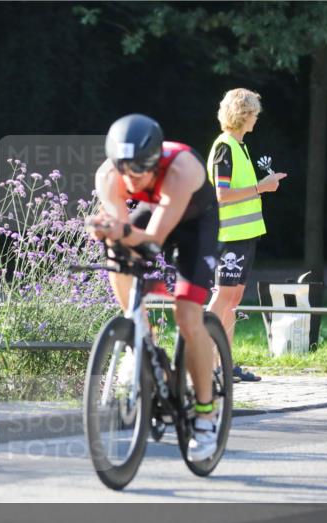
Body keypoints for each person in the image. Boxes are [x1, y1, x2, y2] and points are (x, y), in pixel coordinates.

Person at [86, 113, 221, 461]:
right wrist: (106, 230)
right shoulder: (108, 174)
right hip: (154, 210)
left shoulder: (181, 170)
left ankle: (206, 415)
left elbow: (154, 241)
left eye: (139, 172)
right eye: (124, 171)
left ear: (155, 163)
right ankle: (137, 338)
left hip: (194, 223)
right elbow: (121, 229)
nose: (130, 179)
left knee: (188, 317)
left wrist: (118, 230)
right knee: (117, 253)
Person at [206, 88, 287, 382]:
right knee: (223, 296)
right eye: (253, 114)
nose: (256, 119)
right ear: (242, 115)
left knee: (234, 298)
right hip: (229, 236)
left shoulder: (240, 146)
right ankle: (207, 362)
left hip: (245, 235)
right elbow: (222, 195)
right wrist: (261, 187)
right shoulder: (225, 146)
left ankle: (225, 365)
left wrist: (263, 186)